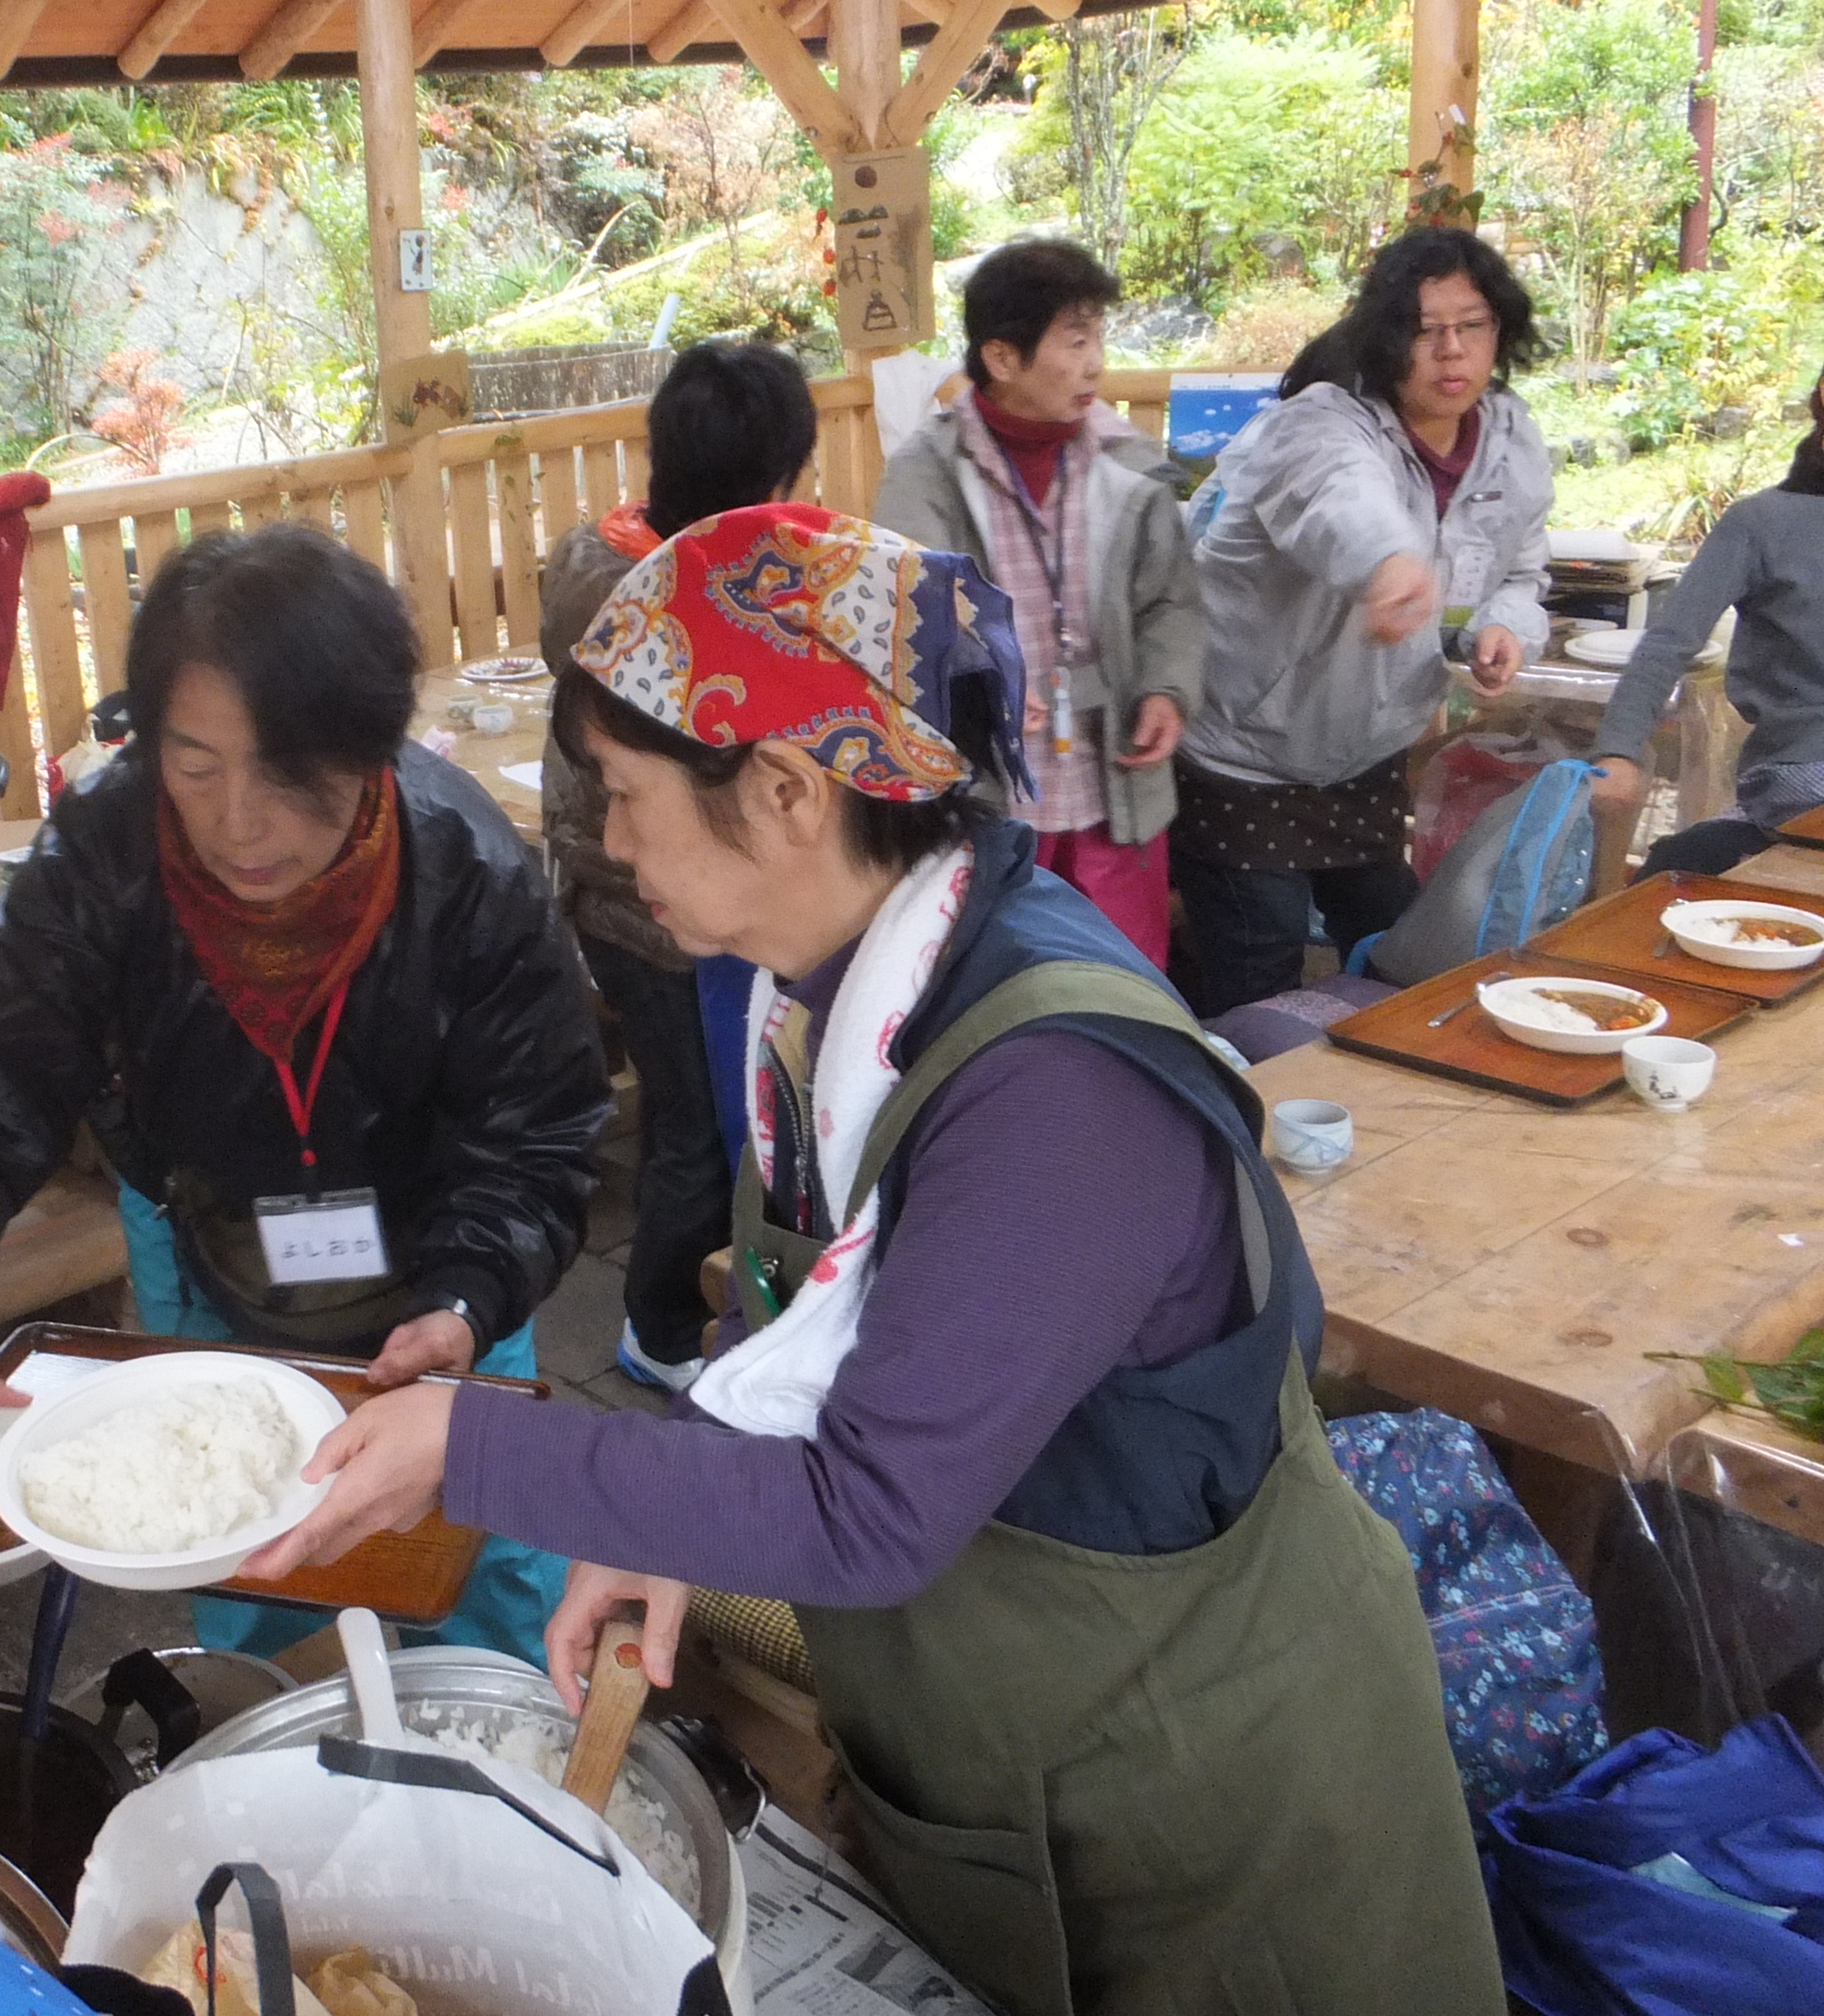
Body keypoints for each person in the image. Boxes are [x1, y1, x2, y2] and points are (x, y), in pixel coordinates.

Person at [241, 506, 1504, 2016]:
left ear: (780, 790)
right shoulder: (834, 1004)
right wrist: (667, 1511)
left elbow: (866, 1512)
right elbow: (806, 1330)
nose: (611, 836)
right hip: (1013, 1755)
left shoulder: (1054, 1090)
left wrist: (475, 1445)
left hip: (1212, 1811)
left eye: (629, 793)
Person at [0, 526, 610, 1663]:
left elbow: (537, 1132)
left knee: (481, 1565)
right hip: (208, 1240)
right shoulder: (106, 854)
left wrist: (468, 1298)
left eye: (284, 773)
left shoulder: (469, 873)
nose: (235, 823)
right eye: (195, 762)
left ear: (368, 749)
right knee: (239, 1546)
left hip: (439, 1259)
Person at [1171, 226, 1553, 1015]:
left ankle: (1375, 1120)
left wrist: (1505, 623)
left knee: (1394, 957)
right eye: (1424, 329)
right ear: (1386, 340)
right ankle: (1249, 1119)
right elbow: (1340, 500)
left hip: (1363, 751)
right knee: (1261, 971)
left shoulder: (1511, 440)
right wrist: (1389, 564)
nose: (1450, 350)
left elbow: (1520, 565)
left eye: (1471, 325)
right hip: (1244, 747)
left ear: (1499, 332)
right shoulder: (1320, 424)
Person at [542, 337, 813, 1395]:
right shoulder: (681, 602)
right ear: (766, 486)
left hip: (620, 895)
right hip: (649, 906)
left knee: (689, 1113)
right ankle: (659, 1330)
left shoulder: (596, 558)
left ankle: (675, 1312)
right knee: (701, 1129)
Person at [873, 239, 1200, 968]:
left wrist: (1167, 689)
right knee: (1011, 976)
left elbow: (1171, 601)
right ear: (1002, 357)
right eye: (1075, 340)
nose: (1095, 364)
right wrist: (974, 680)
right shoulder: (928, 472)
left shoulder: (1128, 463)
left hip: (1112, 773)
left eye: (1099, 339)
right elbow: (906, 607)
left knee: (1125, 974)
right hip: (992, 782)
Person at [1592, 367, 1824, 874]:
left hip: (1792, 790)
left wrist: (1620, 752)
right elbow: (1668, 645)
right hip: (1800, 784)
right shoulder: (1763, 524)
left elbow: (1667, 644)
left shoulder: (1762, 522)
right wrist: (1618, 752)